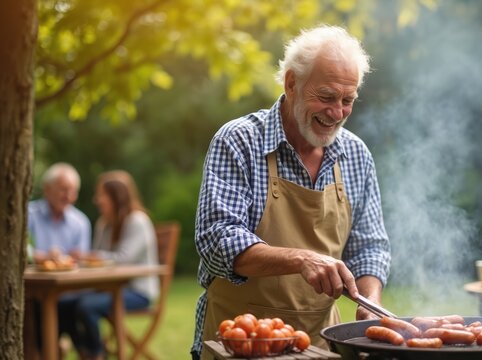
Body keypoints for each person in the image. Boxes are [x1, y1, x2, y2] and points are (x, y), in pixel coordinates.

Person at [191, 25, 391, 359]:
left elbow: (369, 247)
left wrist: (370, 303)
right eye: (326, 97)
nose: (337, 113)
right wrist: (302, 259)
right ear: (291, 84)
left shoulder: (356, 154)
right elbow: (217, 240)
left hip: (320, 345)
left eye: (348, 100)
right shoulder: (239, 142)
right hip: (240, 342)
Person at [64, 170, 159, 360]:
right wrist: (84, 258)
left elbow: (123, 259)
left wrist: (89, 257)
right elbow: (97, 259)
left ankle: (97, 354)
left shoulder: (138, 221)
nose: (96, 200)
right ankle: (86, 351)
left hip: (138, 292)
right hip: (107, 289)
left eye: (101, 194)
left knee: (86, 307)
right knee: (63, 303)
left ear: (117, 197)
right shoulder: (103, 224)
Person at [28, 162, 91, 258]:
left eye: (73, 191)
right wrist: (44, 257)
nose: (68, 196)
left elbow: (82, 259)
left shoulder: (81, 222)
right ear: (47, 189)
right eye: (63, 189)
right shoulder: (28, 214)